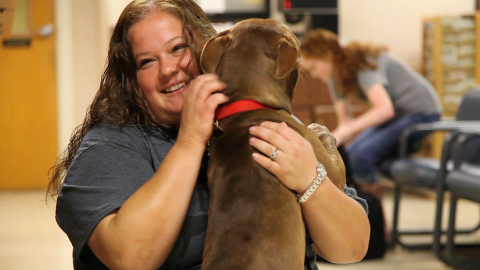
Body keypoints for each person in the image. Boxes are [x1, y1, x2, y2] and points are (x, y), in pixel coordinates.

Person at [47, 1, 370, 269]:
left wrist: (309, 181)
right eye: (147, 61)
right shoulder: (111, 147)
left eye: (178, 48)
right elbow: (130, 258)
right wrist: (190, 140)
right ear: (131, 80)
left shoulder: (271, 127)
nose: (168, 69)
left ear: (212, 49)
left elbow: (351, 250)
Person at [300, 29, 442, 200]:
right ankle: (359, 208)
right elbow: (345, 124)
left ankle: (373, 217)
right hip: (398, 116)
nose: (313, 74)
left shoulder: (363, 62)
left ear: (329, 56)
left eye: (314, 67)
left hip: (421, 112)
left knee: (361, 156)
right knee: (350, 153)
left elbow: (385, 109)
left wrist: (344, 132)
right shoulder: (334, 78)